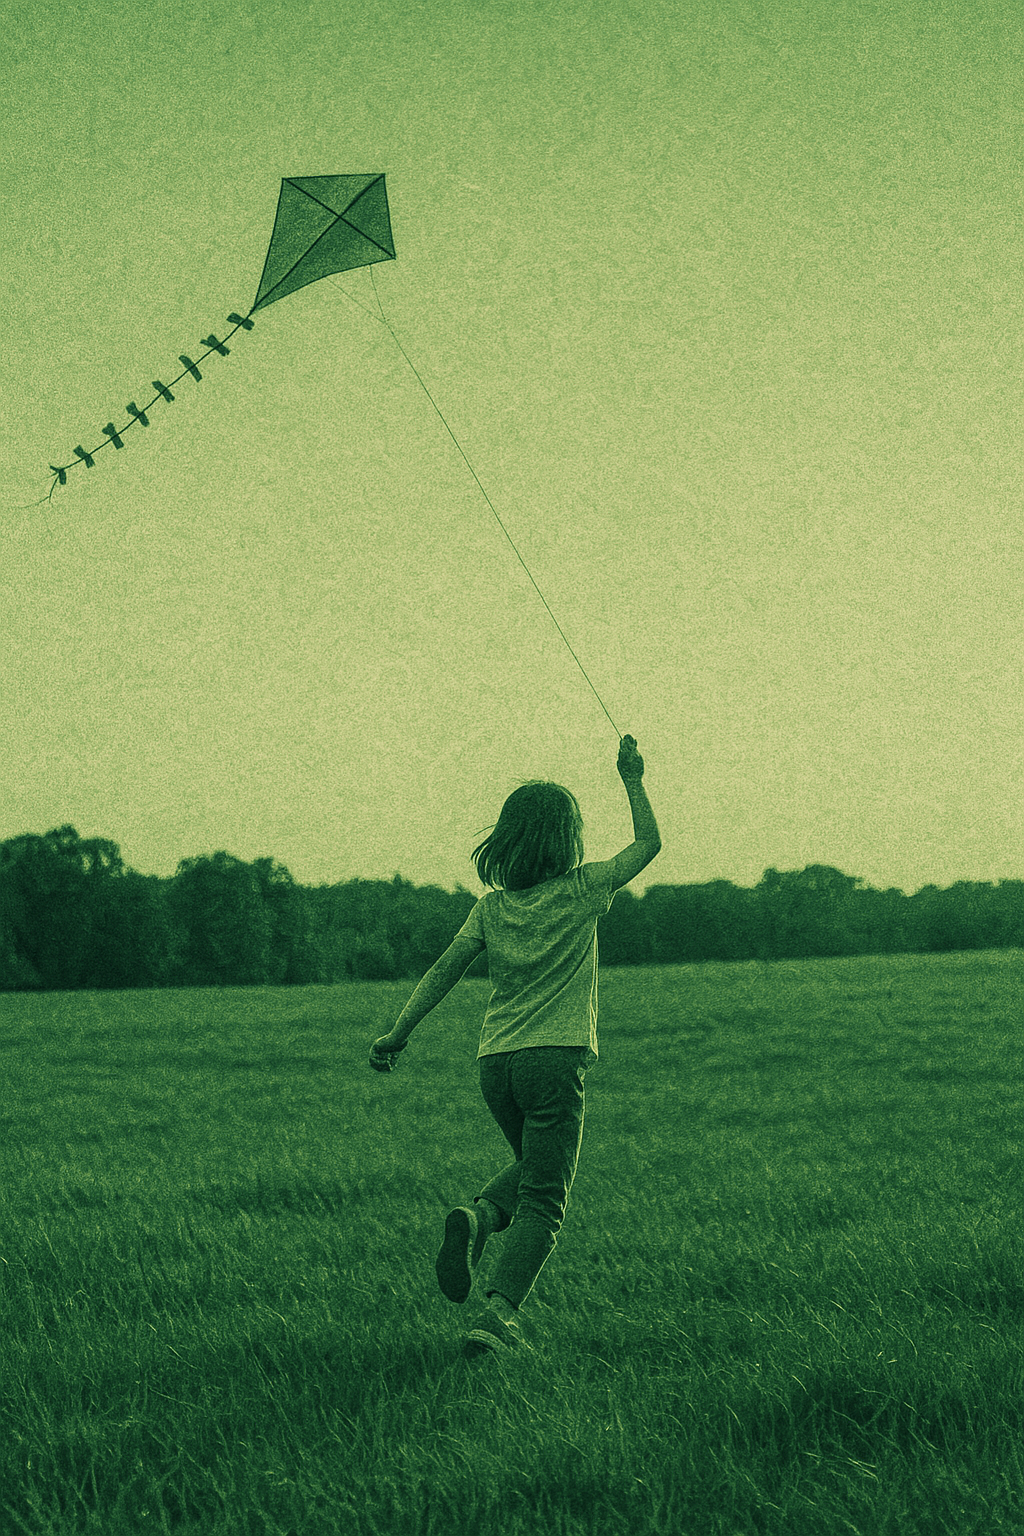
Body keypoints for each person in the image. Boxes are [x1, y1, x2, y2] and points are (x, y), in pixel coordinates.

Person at [368, 734, 661, 1356]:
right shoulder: (584, 888)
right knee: (546, 1200)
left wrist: (398, 1033)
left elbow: (442, 973)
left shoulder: (491, 908)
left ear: (508, 838)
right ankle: (497, 1317)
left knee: (535, 1166)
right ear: (569, 839)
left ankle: (477, 1218)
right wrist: (631, 777)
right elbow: (648, 845)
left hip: (495, 1063)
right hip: (554, 1060)